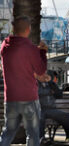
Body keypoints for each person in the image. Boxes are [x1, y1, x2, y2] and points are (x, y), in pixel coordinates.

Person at [0, 16, 47, 146]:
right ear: (28, 29)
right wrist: (42, 52)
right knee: (32, 134)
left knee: (8, 132)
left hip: (10, 98)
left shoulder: (5, 46)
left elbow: (19, 56)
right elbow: (41, 70)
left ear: (14, 29)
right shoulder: (30, 49)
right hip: (29, 98)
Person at [37, 72, 69, 146]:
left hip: (51, 109)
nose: (44, 75)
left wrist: (51, 83)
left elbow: (59, 95)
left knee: (67, 117)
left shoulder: (50, 84)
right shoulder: (33, 83)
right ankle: (40, 140)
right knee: (39, 117)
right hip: (38, 109)